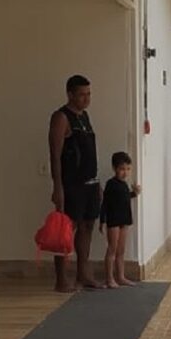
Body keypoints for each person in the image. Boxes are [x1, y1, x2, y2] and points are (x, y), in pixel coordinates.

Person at [49, 74, 103, 292]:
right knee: (65, 230)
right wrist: (58, 187)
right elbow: (55, 154)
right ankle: (61, 279)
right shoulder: (61, 117)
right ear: (70, 94)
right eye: (82, 94)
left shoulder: (85, 117)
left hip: (90, 183)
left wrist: (97, 183)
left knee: (87, 226)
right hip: (71, 185)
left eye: (89, 94)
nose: (86, 98)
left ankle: (84, 273)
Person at [99, 152, 141, 288]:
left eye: (128, 169)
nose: (125, 172)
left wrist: (135, 193)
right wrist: (102, 221)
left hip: (124, 218)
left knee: (121, 250)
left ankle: (120, 276)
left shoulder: (124, 184)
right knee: (112, 249)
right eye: (122, 169)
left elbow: (125, 197)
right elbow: (105, 203)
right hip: (113, 220)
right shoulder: (111, 184)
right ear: (115, 168)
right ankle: (109, 278)